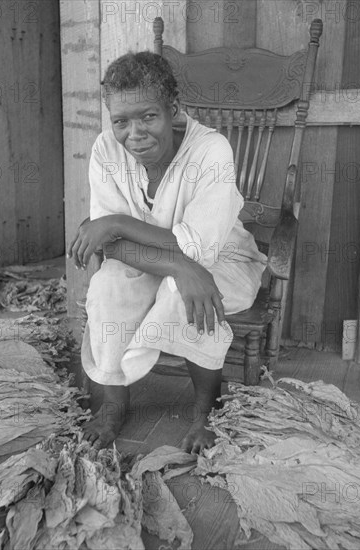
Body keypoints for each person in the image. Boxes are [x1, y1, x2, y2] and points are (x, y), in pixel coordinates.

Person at [67, 51, 267, 453]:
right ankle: (113, 405)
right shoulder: (107, 149)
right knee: (107, 284)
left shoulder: (210, 151)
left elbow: (197, 248)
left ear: (172, 109)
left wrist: (118, 223)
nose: (134, 133)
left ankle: (205, 409)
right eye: (121, 121)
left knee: (185, 292)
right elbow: (111, 249)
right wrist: (175, 264)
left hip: (222, 260)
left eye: (148, 117)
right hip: (147, 259)